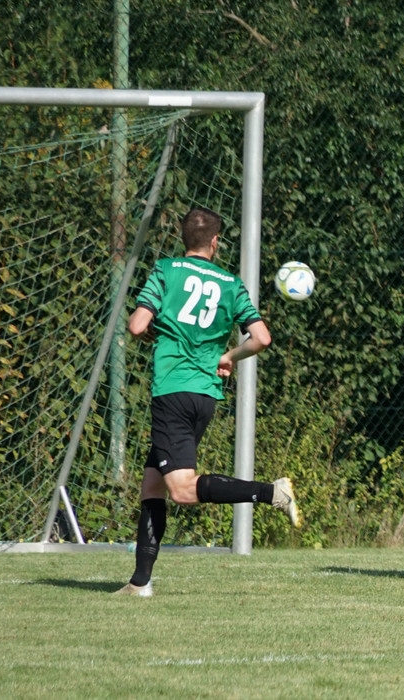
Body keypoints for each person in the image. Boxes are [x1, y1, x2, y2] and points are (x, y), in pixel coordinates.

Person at [116, 207, 301, 597]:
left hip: (172, 390)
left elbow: (136, 325)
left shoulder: (166, 270)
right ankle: (139, 582)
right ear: (215, 242)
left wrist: (152, 333)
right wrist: (229, 356)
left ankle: (272, 493)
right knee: (153, 484)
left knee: (182, 490)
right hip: (205, 396)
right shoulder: (231, 283)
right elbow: (262, 338)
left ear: (183, 238)